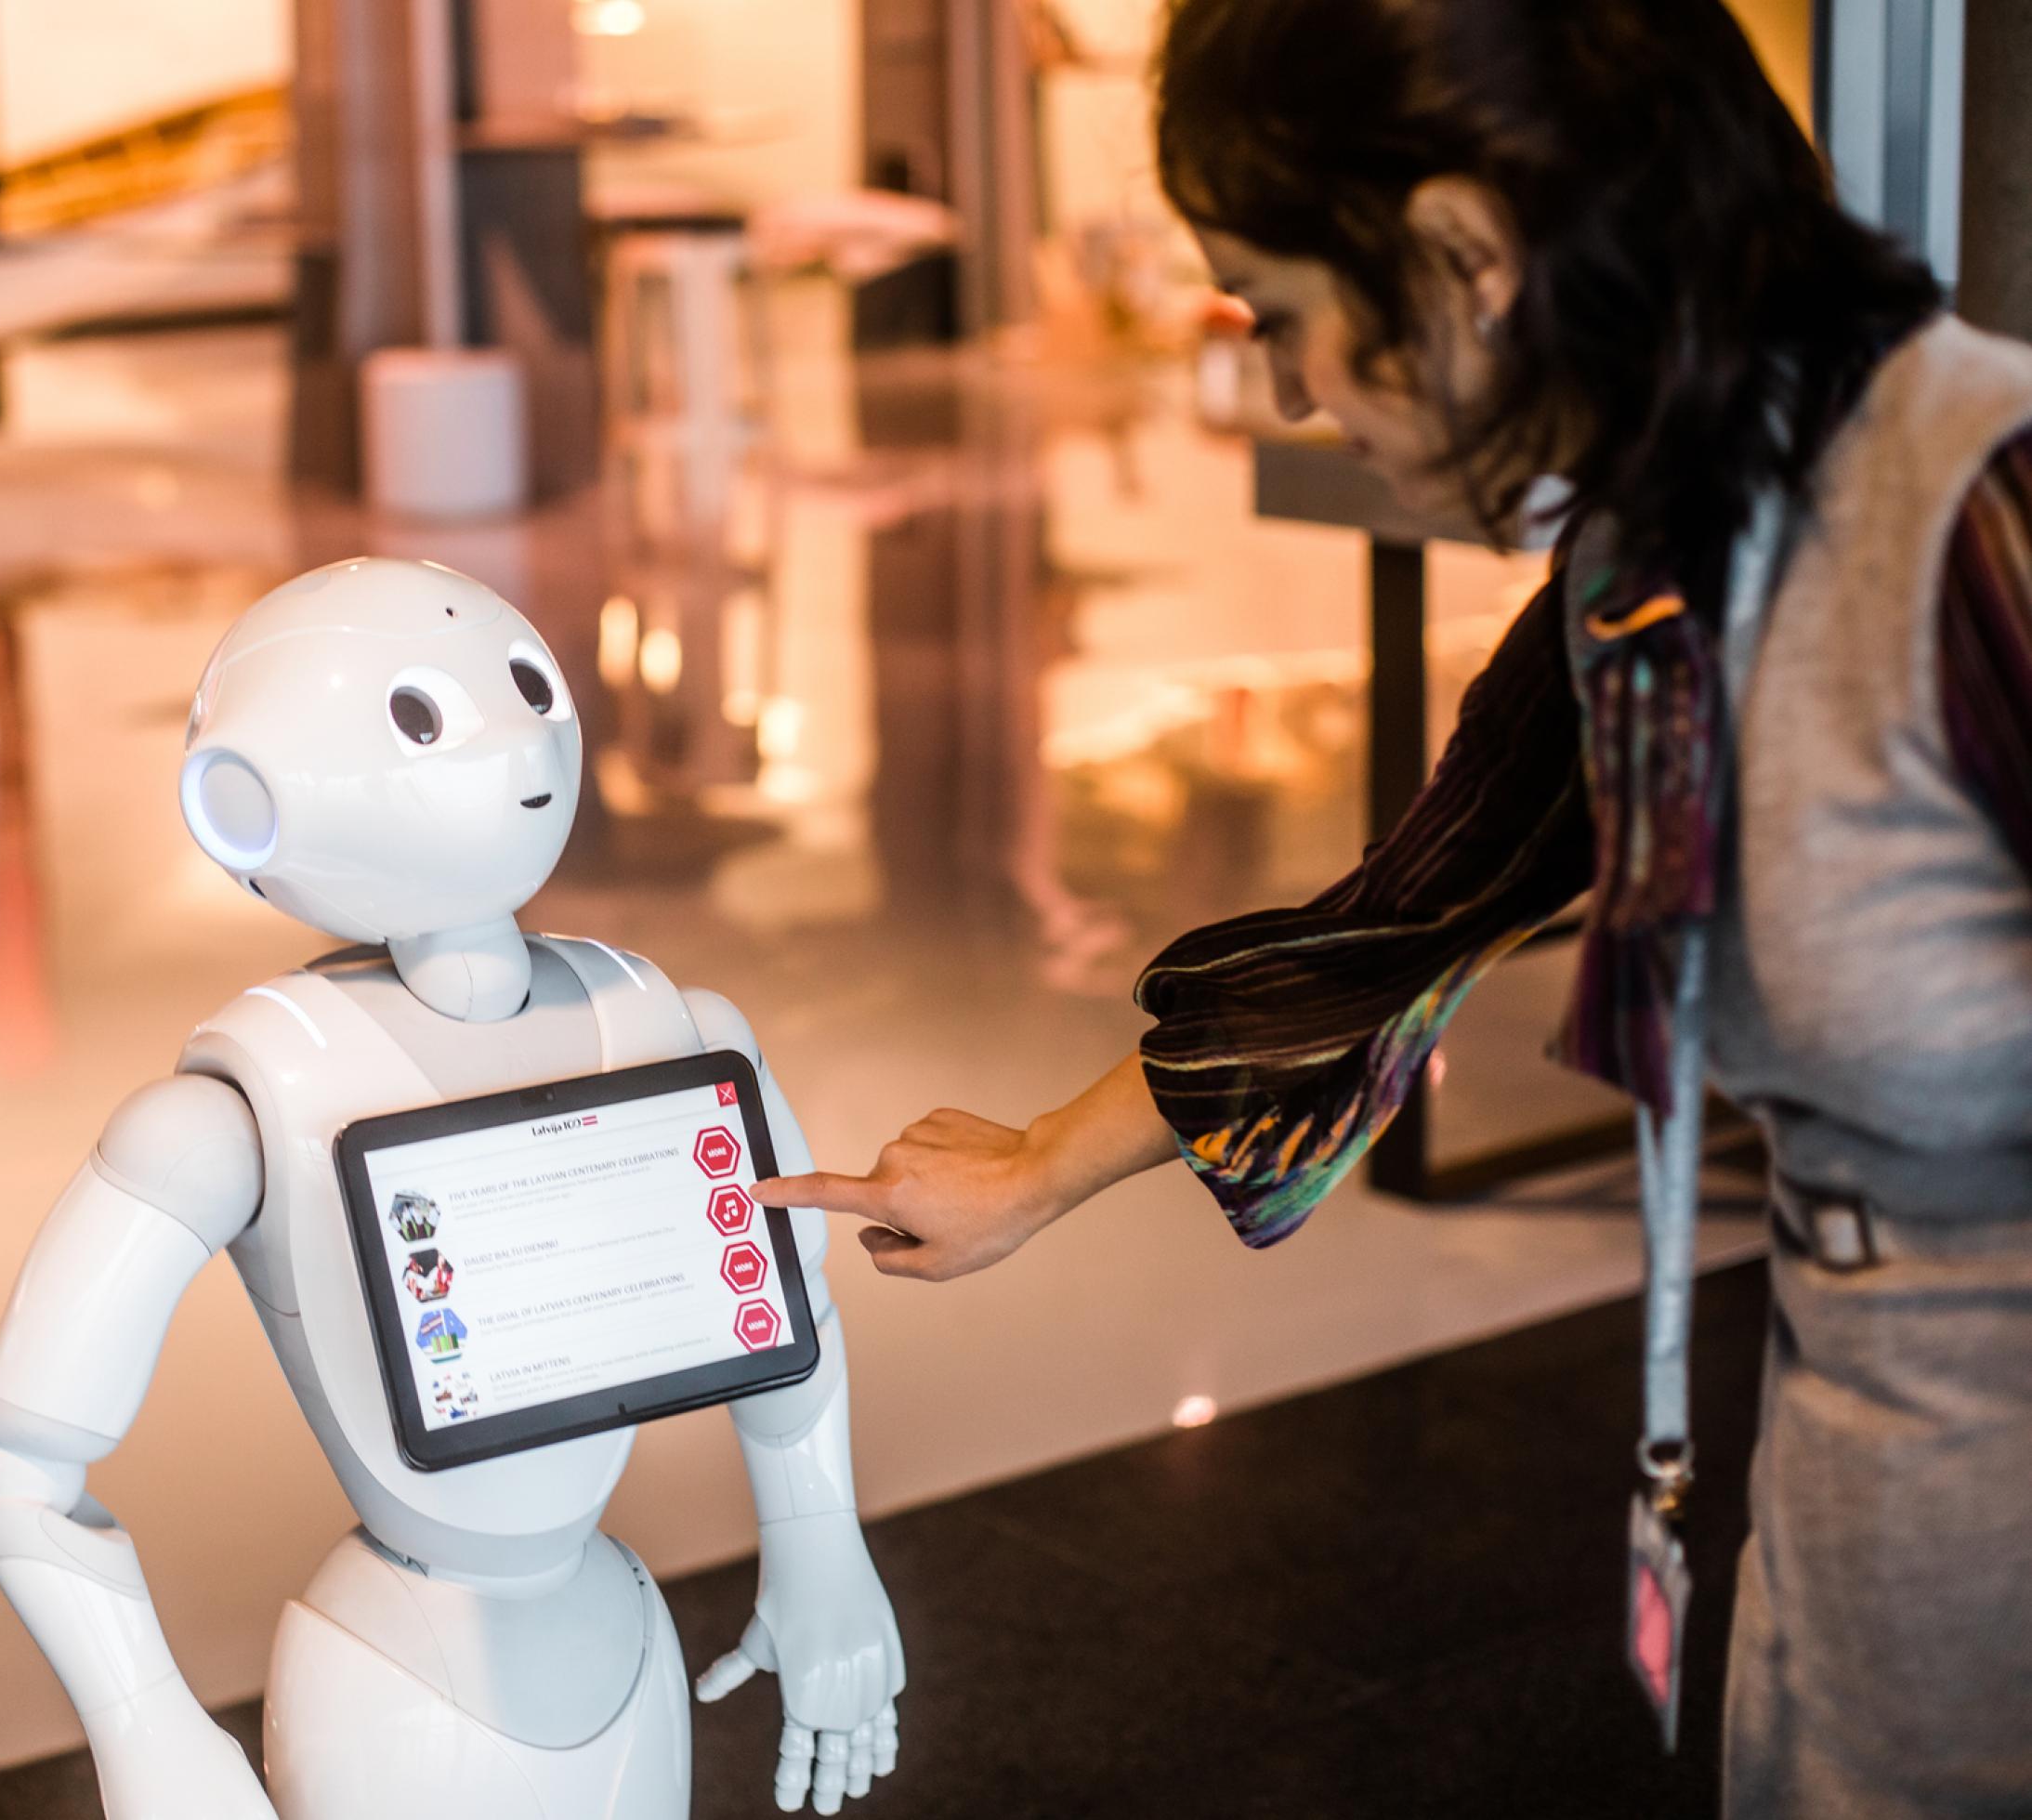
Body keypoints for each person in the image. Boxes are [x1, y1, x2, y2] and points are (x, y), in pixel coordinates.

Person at [755, 2, 2032, 1813]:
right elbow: (1410, 918)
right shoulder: (1668, 552)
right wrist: (1038, 1167)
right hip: (1853, 1507)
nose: (1288, 392)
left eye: (1281, 314)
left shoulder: (1979, 507)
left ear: (1462, 252)